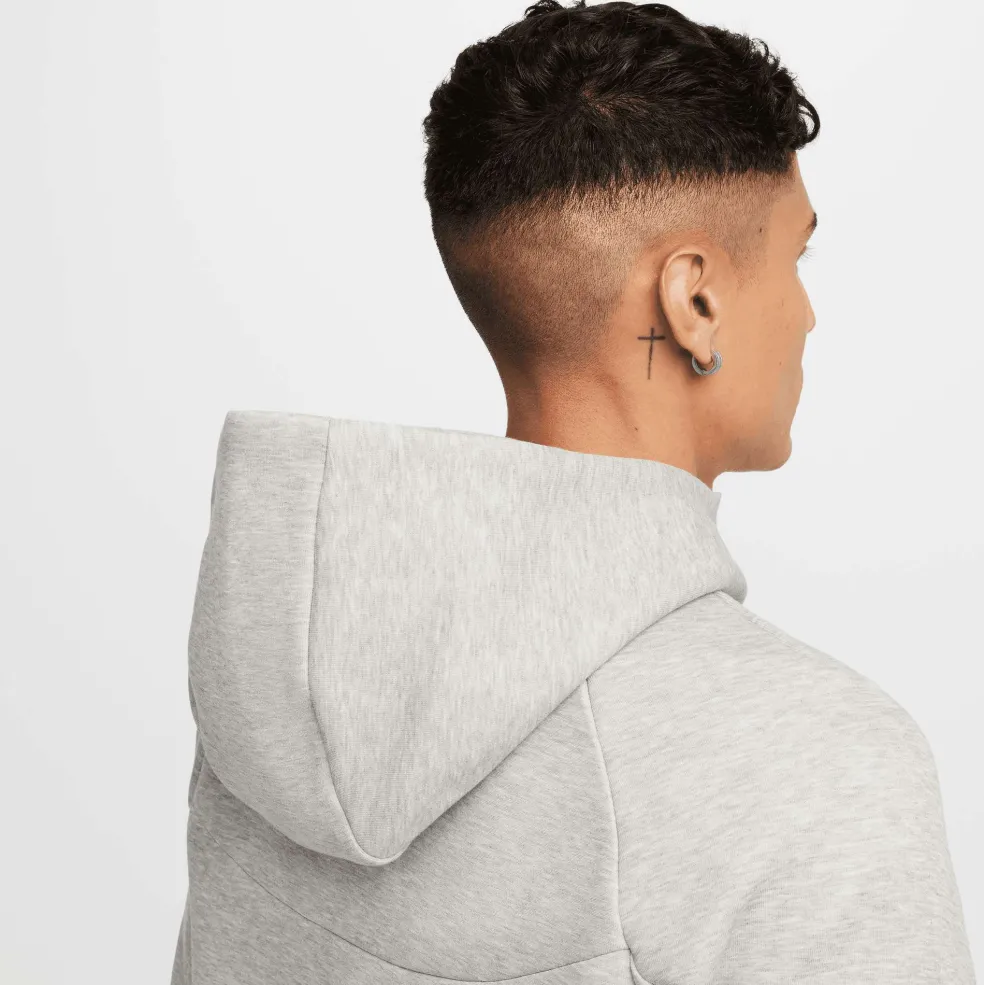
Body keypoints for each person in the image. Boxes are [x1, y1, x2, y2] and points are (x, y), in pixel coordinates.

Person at [171, 2, 976, 983]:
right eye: (794, 257)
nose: (807, 314)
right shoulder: (812, 760)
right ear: (694, 300)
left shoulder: (288, 683)